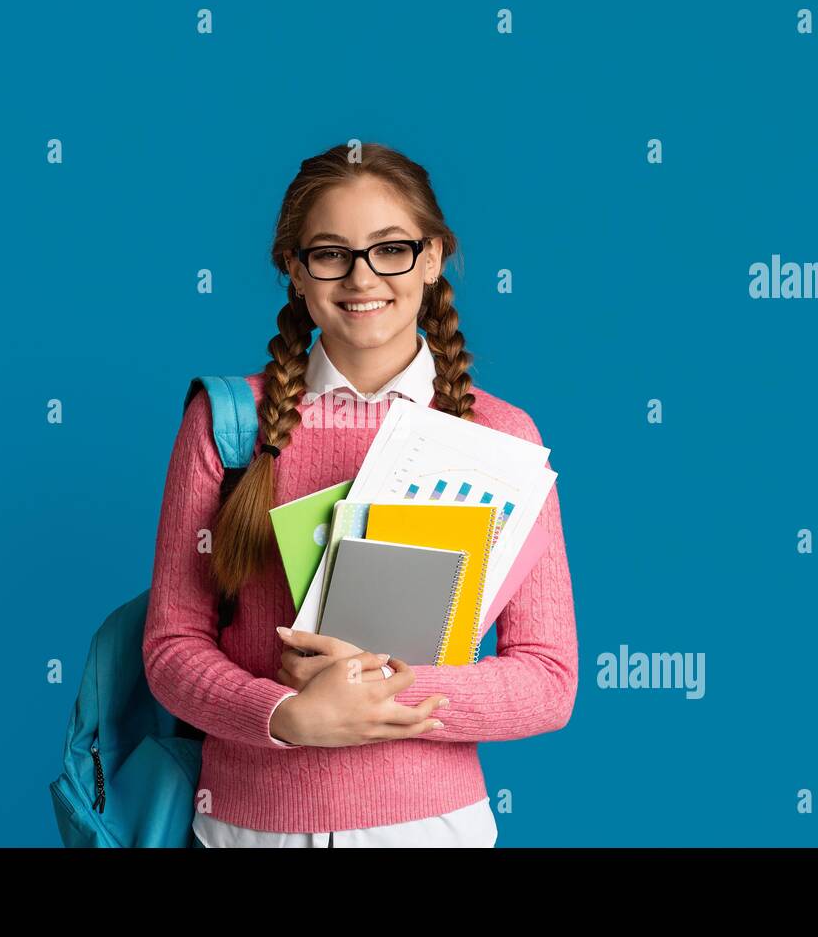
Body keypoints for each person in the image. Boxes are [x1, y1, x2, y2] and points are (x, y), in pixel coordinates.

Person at [142, 142, 578, 847]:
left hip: (431, 829)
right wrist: (286, 714)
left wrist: (380, 692)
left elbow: (549, 678)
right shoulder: (228, 424)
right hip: (248, 829)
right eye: (331, 253)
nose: (362, 276)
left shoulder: (504, 436)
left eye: (391, 249)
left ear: (432, 258)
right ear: (295, 269)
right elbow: (171, 648)